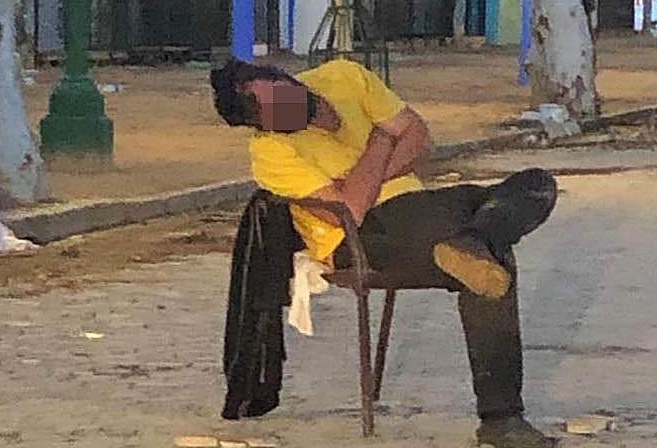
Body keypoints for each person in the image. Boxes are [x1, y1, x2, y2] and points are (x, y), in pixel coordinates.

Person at [210, 57, 560, 448]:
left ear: (283, 76)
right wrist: (381, 139)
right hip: (357, 242)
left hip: (421, 212)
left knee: (535, 185)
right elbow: (351, 210)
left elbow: (419, 136)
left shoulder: (344, 76)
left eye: (282, 95)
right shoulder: (270, 152)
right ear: (262, 125)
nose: (286, 109)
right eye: (274, 114)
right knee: (492, 261)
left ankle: (473, 240)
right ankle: (501, 419)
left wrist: (365, 176)